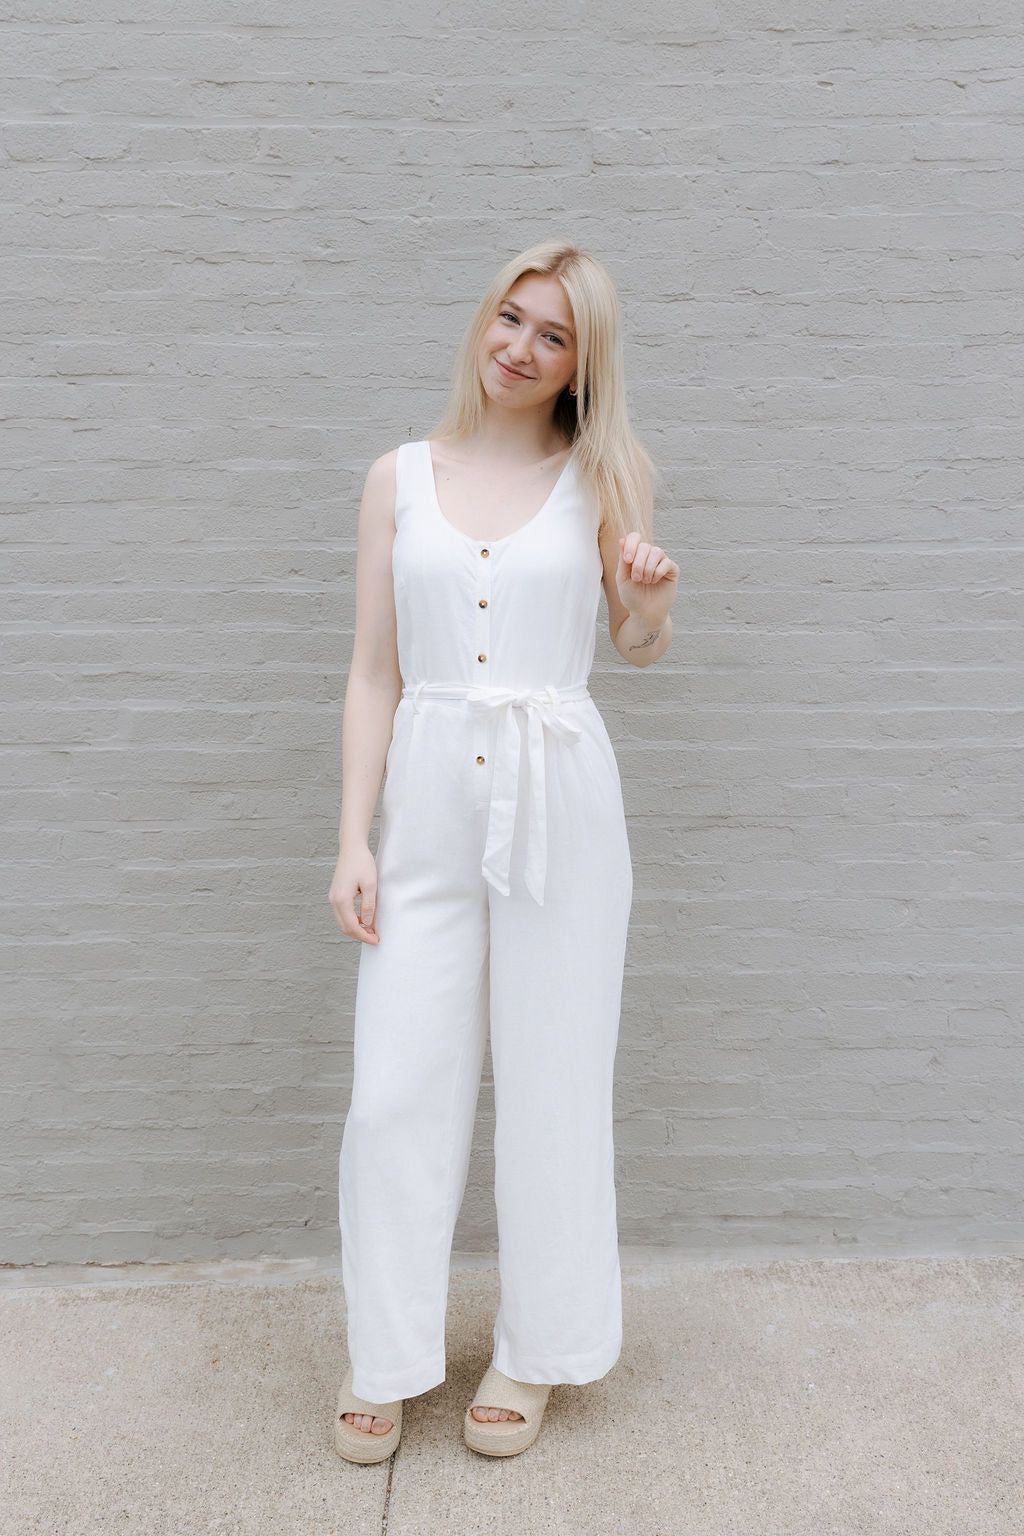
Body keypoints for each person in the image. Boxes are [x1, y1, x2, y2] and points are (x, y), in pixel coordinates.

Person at [328, 239, 679, 1462]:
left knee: (554, 1082)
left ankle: (537, 1351)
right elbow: (372, 672)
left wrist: (649, 602)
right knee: (393, 1093)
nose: (521, 348)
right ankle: (384, 1353)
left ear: (583, 363)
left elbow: (635, 643)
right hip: (425, 802)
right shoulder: (397, 480)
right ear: (484, 321)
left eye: (554, 336)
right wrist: (353, 839)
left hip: (560, 799)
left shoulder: (606, 477)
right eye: (511, 319)